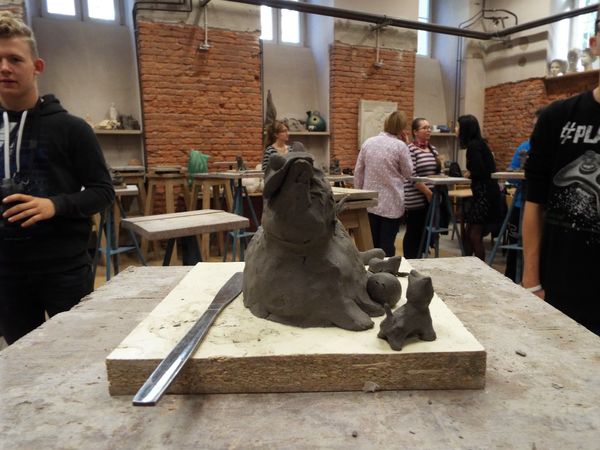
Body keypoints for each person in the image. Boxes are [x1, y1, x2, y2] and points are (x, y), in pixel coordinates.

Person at [0, 12, 114, 345]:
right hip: (6, 273)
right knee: (21, 359)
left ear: (37, 66)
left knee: (77, 353)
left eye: (15, 59)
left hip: (64, 269)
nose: (4, 68)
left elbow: (103, 191)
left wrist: (55, 205)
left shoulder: (71, 129)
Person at [522, 10, 600, 336]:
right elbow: (535, 203)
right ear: (594, 43)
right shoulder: (558, 118)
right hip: (562, 289)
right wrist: (531, 281)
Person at [354, 110, 412, 257]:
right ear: (401, 128)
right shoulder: (400, 146)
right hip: (392, 203)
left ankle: (370, 270)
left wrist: (359, 196)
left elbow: (358, 172)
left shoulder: (369, 142)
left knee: (370, 243)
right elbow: (408, 173)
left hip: (370, 202)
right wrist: (406, 144)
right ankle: (387, 270)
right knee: (387, 244)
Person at [504, 108, 543, 282]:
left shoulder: (553, 149)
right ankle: (511, 281)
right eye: (534, 126)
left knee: (537, 249)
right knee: (514, 248)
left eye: (539, 126)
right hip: (520, 204)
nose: (536, 131)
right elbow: (511, 175)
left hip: (542, 207)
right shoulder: (524, 147)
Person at [457, 114, 501, 261]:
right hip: (484, 193)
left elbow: (480, 171)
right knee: (468, 233)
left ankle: (479, 266)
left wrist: (470, 174)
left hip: (484, 195)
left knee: (474, 234)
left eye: (458, 126)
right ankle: (467, 264)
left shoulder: (474, 146)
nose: (456, 129)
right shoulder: (479, 144)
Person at [403, 117, 441, 258]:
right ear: (415, 132)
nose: (428, 130)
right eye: (424, 128)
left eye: (429, 127)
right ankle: (411, 260)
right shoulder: (410, 149)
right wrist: (427, 192)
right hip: (417, 197)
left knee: (426, 232)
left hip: (431, 197)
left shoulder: (433, 149)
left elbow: (438, 172)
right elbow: (411, 175)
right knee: (414, 231)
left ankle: (422, 259)